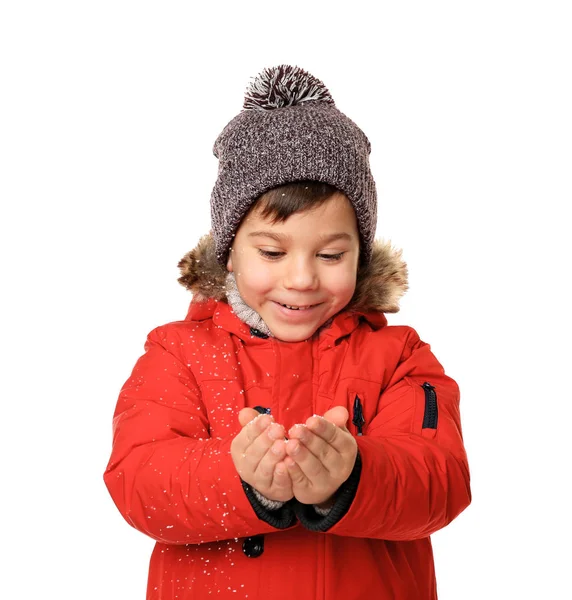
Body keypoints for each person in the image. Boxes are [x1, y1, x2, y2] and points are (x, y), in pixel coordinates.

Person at [103, 64, 471, 600]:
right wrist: (238, 478)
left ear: (361, 255)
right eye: (272, 252)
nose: (301, 279)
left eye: (330, 255)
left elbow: (442, 479)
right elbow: (137, 479)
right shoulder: (177, 353)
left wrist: (353, 477)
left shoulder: (400, 356)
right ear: (228, 252)